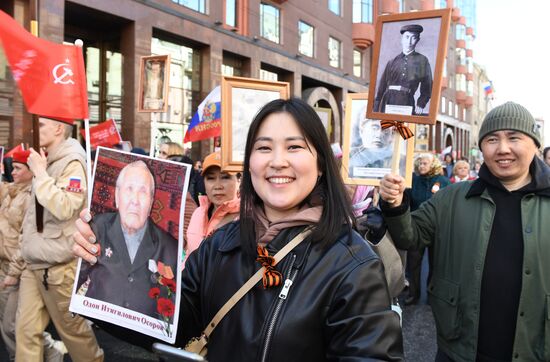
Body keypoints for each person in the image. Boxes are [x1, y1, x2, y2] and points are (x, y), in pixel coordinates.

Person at [74, 98, 404, 360]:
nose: (277, 161)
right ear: (249, 164)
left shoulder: (351, 264)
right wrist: (104, 269)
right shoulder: (220, 245)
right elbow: (169, 324)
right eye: (264, 148)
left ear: (320, 165)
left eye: (294, 147)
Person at [379, 102, 550, 361]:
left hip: (535, 350)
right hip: (459, 349)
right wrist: (396, 205)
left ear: (535, 145)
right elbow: (410, 236)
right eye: (492, 139)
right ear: (482, 147)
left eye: (514, 137)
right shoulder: (452, 198)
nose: (503, 148)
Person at [16, 116, 103, 361]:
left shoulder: (73, 162)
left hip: (58, 266)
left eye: (41, 125)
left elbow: (65, 207)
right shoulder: (44, 160)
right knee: (25, 332)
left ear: (58, 128)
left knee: (75, 336)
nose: (35, 129)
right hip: (34, 261)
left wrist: (41, 173)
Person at [76, 161, 178, 319]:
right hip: (98, 330)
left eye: (143, 192)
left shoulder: (170, 248)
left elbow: (172, 309)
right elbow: (75, 279)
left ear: (151, 202)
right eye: (129, 189)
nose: (135, 200)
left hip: (142, 341)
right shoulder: (96, 228)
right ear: (117, 196)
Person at [402, 153, 450, 306]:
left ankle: (432, 294)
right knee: (413, 263)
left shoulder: (443, 181)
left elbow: (448, 205)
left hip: (438, 227)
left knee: (436, 262)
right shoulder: (413, 180)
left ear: (433, 165)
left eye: (425, 163)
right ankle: (413, 294)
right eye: (420, 163)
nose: (421, 166)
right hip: (416, 226)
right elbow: (406, 201)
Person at [185, 152, 240, 266]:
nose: (217, 185)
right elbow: (188, 257)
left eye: (225, 177)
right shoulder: (198, 213)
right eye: (210, 178)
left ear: (239, 180)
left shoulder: (249, 217)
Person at [374, 24, 433, 116]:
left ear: (417, 40)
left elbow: (427, 86)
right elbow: (381, 88)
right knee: (387, 128)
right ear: (402, 39)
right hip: (388, 102)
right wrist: (375, 109)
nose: (409, 41)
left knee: (403, 129)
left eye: (413, 38)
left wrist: (421, 104)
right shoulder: (392, 62)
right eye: (407, 37)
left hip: (407, 102)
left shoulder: (422, 60)